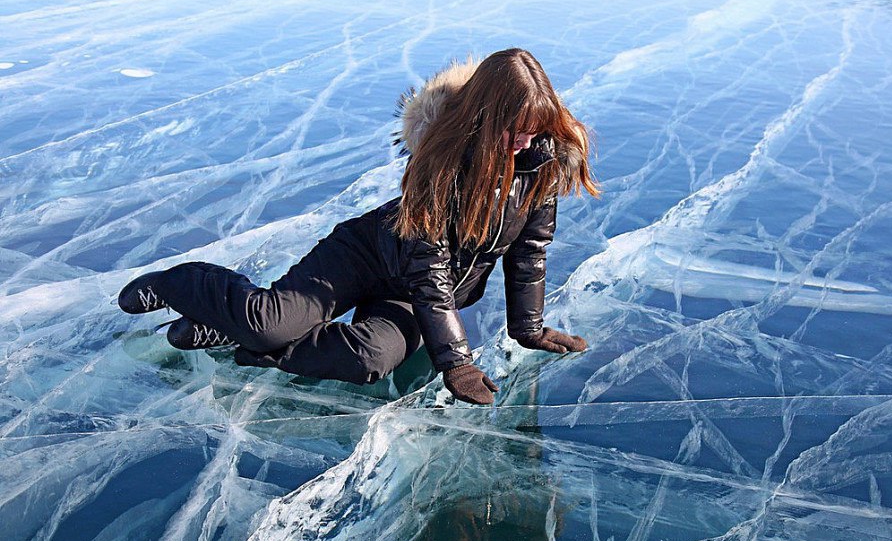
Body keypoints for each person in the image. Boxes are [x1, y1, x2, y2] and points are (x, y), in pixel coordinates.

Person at [117, 47, 600, 405]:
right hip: (366, 256)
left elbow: (528, 253)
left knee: (370, 360)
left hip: (415, 294)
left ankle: (236, 338)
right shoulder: (442, 165)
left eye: (535, 128)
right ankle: (183, 283)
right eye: (514, 128)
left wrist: (528, 329)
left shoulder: (542, 168)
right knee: (269, 321)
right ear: (484, 117)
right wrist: (456, 363)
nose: (525, 140)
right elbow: (429, 268)